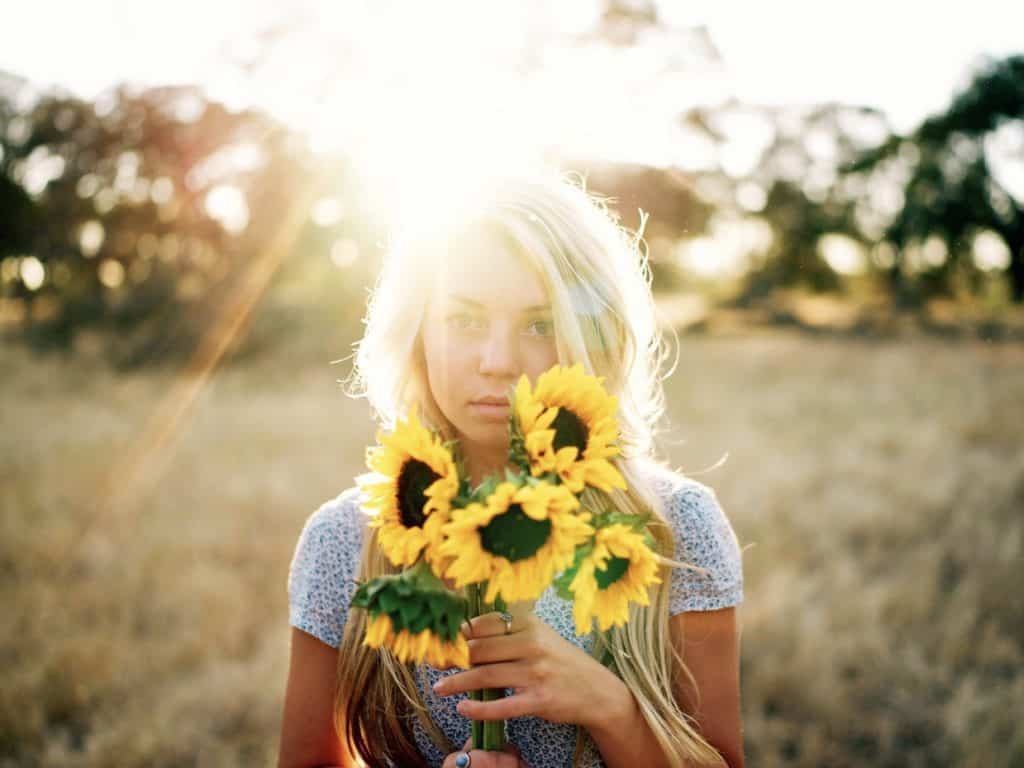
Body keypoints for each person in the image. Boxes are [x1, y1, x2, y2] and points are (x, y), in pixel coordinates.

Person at [277, 171, 745, 768]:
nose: (498, 361)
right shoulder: (345, 541)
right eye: (465, 321)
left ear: (593, 337)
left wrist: (612, 710)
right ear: (418, 331)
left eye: (540, 325)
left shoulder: (676, 528)